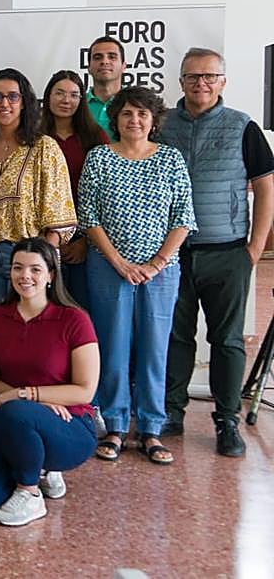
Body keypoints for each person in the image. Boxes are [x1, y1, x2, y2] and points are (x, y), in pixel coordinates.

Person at [160, 47, 274, 456]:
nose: (201, 84)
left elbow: (265, 187)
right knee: (175, 337)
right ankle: (170, 412)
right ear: (181, 82)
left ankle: (227, 420)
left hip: (227, 252)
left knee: (227, 340)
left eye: (209, 76)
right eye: (192, 77)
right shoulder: (162, 125)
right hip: (173, 252)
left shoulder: (243, 127)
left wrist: (254, 248)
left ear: (223, 81)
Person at [80, 86, 195, 465]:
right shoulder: (99, 158)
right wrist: (119, 263)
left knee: (154, 349)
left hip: (161, 272)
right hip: (109, 268)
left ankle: (150, 429)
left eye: (142, 114)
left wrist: (156, 264)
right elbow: (89, 218)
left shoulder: (171, 160)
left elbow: (183, 218)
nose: (135, 120)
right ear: (115, 118)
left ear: (153, 120)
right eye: (127, 113)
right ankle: (113, 425)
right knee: (113, 346)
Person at [0, 238, 100, 527]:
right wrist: (34, 402)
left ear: (50, 275)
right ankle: (32, 465)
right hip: (15, 420)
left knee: (15, 412)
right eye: (18, 268)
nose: (25, 276)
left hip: (70, 424)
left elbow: (85, 389)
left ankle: (30, 491)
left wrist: (26, 395)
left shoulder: (74, 319)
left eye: (35, 269)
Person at [0, 68, 76, 315]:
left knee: (29, 324)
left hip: (28, 253)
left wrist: (42, 261)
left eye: (12, 97)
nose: (4, 103)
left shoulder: (43, 147)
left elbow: (60, 212)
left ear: (25, 102)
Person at [39, 70, 108, 307]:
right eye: (59, 93)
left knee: (81, 311)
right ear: (48, 96)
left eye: (74, 95)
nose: (66, 100)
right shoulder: (33, 136)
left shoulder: (94, 137)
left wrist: (85, 242)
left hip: (85, 238)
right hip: (43, 237)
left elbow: (104, 195)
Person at [86, 36, 126, 135]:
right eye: (97, 57)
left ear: (123, 66)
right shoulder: (77, 105)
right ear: (89, 68)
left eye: (112, 57)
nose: (104, 61)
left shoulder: (137, 106)